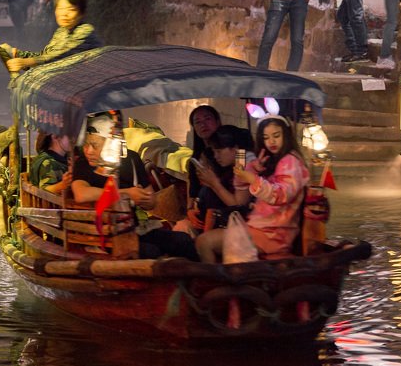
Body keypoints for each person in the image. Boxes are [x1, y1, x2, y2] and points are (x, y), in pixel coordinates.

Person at [71, 113, 198, 261]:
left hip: (133, 229)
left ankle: (190, 282)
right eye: (86, 144)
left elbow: (151, 201)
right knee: (150, 252)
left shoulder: (131, 159)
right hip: (102, 233)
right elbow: (81, 194)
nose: (89, 151)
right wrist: (128, 193)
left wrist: (145, 199)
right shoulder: (83, 164)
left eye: (95, 145)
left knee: (183, 241)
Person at [196, 116, 310, 263]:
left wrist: (250, 178)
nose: (271, 142)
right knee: (202, 239)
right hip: (260, 227)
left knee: (205, 241)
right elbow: (243, 184)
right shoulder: (272, 159)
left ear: (286, 135)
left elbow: (280, 195)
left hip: (272, 233)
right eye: (266, 137)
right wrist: (252, 169)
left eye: (276, 136)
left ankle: (215, 282)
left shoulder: (290, 161)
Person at [0, 0, 101, 74]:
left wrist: (25, 62)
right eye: (60, 9)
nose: (64, 14)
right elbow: (44, 55)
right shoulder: (61, 32)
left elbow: (61, 57)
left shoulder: (85, 30)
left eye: (71, 10)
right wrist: (13, 52)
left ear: (81, 13)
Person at [176, 125, 254, 237]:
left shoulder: (245, 162)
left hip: (252, 225)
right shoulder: (241, 160)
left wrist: (214, 183)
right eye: (214, 152)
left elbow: (239, 204)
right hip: (239, 222)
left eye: (219, 151)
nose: (216, 156)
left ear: (235, 148)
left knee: (204, 242)